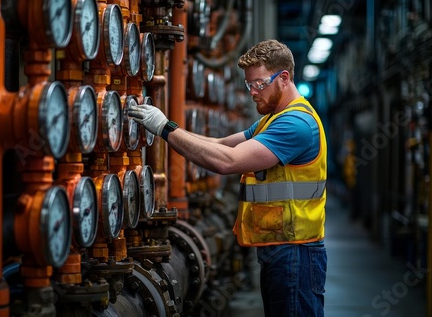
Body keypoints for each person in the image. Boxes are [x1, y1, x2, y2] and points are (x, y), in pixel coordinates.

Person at [128, 39, 327, 317]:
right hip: (280, 249)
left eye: (259, 84)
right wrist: (164, 126)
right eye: (249, 85)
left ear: (283, 78)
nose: (253, 93)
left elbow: (227, 161)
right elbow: (220, 144)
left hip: (295, 253)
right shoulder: (272, 118)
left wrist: (165, 128)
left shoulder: (295, 124)